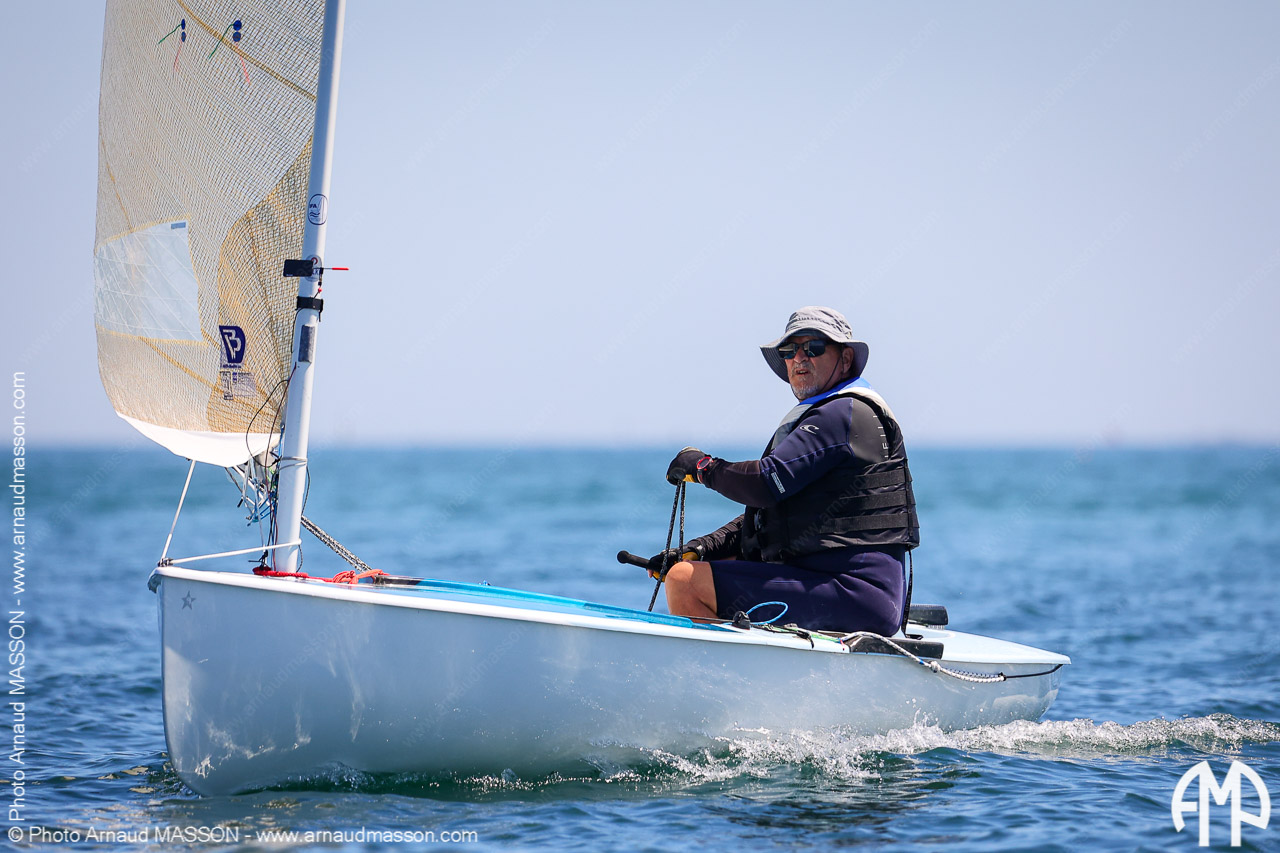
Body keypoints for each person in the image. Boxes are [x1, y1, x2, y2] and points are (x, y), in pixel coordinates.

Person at [656, 306, 919, 635]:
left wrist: (703, 467)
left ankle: (718, 667)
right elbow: (770, 514)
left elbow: (764, 483)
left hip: (854, 593)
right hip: (851, 594)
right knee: (700, 566)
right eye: (789, 351)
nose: (799, 358)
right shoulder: (831, 414)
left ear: (846, 358)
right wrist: (701, 549)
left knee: (685, 582)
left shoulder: (841, 414)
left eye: (813, 348)